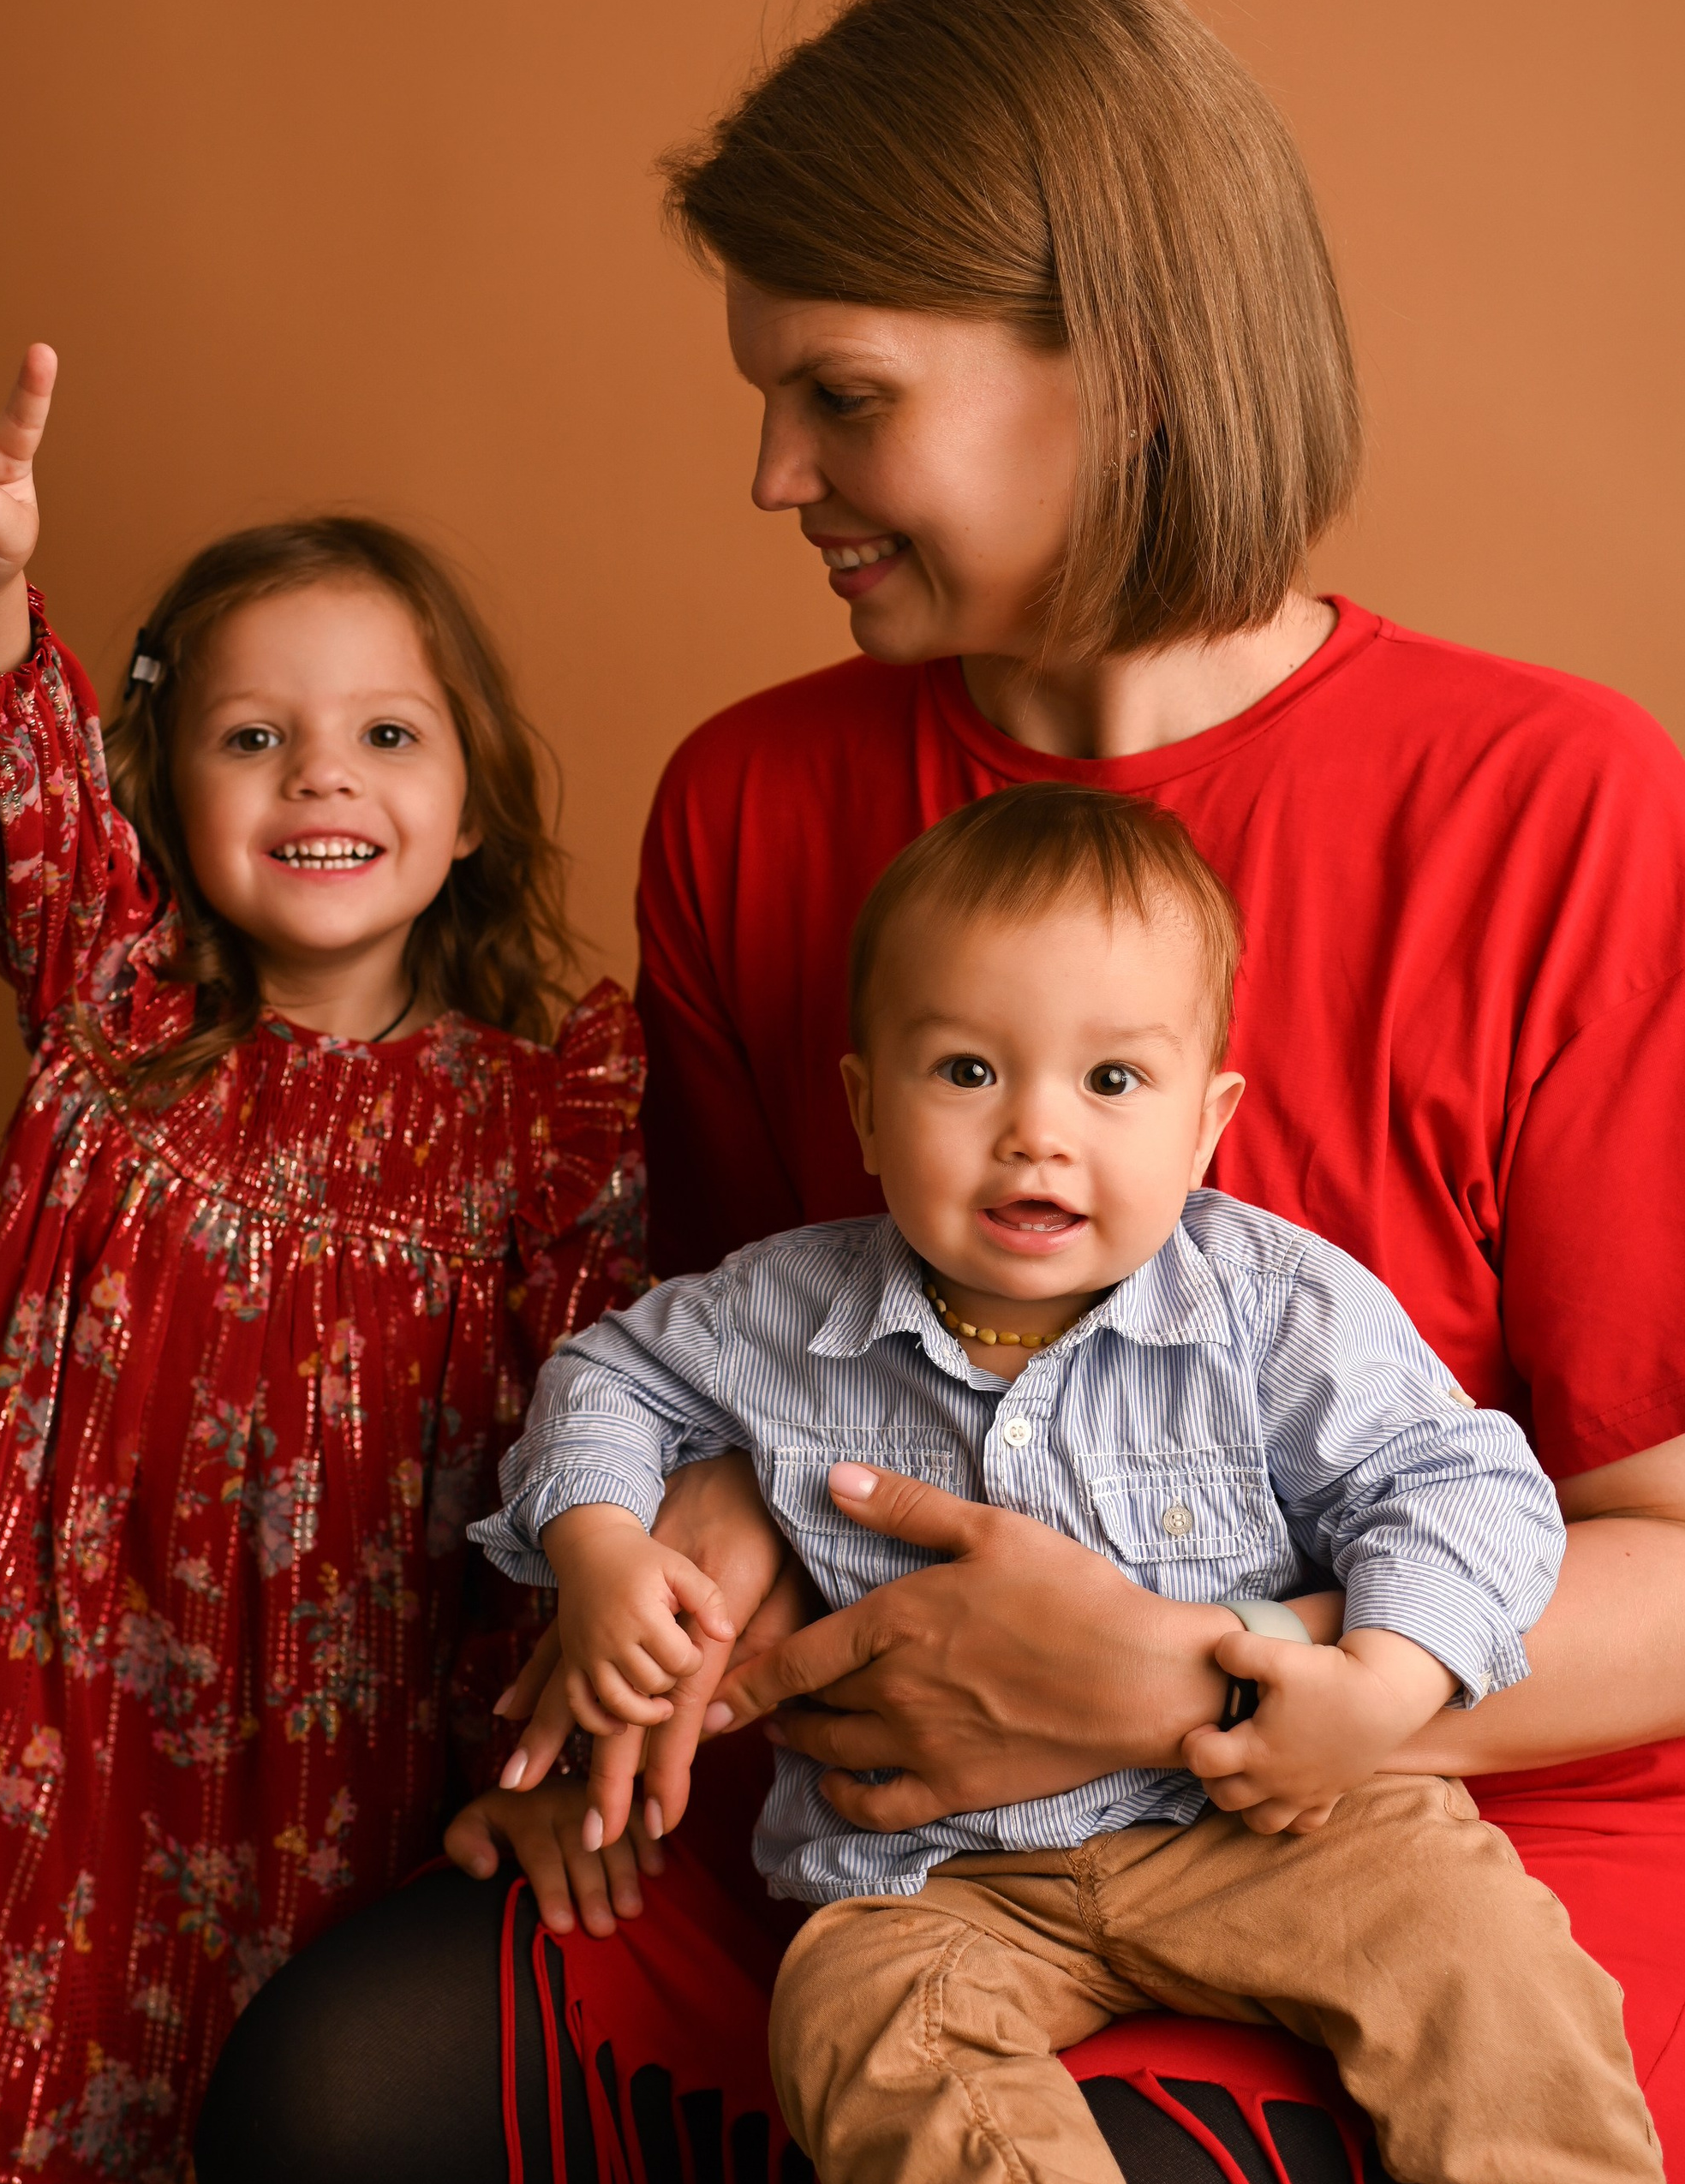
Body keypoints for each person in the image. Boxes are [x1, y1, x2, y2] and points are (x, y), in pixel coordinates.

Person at [196, 0, 1685, 2177]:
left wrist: (1188, 1673)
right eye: (766, 397)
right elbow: (757, 1355)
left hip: (1404, 1823)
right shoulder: (747, 801)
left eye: (844, 396)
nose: (772, 474)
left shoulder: (1555, 808)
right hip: (904, 1834)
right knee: (336, 2089)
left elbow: (1667, 1546)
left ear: (1127, 366)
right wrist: (660, 1619)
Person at [473, 784, 1657, 2182]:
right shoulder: (777, 1309)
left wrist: (1385, 1681)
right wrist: (599, 1539)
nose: (1037, 1131)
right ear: (865, 1105)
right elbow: (602, 1381)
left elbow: (1461, 1487)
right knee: (855, 2024)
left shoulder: (1271, 1307)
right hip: (937, 1877)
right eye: (968, 1071)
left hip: (1267, 1827)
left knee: (1477, 1956)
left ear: (1206, 1122)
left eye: (1111, 1083)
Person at [0, 347, 645, 2182]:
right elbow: (6, 790)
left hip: (393, 1786)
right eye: (250, 737)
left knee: (342, 2120)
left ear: (471, 800)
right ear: (162, 791)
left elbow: (594, 1473)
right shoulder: (112, 1014)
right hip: (100, 1776)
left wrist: (549, 1784)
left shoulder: (548, 1136)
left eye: (388, 734)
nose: (320, 773)